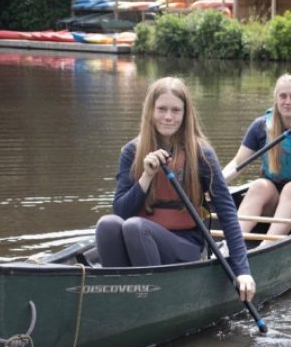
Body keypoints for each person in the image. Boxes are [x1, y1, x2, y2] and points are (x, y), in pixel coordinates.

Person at [95, 77, 256, 302]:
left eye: (175, 110)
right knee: (107, 225)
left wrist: (243, 271)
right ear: (150, 111)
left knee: (135, 228)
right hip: (142, 236)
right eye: (161, 109)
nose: (168, 117)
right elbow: (121, 212)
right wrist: (147, 176)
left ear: (185, 114)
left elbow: (227, 212)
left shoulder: (201, 154)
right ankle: (115, 298)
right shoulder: (131, 152)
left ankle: (153, 301)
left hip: (184, 246)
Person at [223, 74, 291, 243]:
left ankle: (266, 248)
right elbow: (238, 163)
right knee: (258, 186)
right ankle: (231, 245)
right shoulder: (260, 126)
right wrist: (217, 185)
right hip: (272, 198)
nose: (288, 101)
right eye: (283, 96)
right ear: (276, 98)